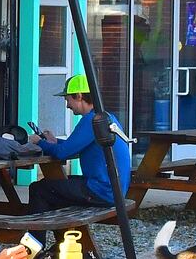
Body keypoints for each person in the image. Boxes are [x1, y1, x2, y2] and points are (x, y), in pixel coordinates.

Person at [26, 73, 132, 213]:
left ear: (79, 96)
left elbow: (62, 153)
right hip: (112, 189)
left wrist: (39, 141)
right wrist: (55, 141)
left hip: (102, 192)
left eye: (67, 99)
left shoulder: (91, 121)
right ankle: (61, 231)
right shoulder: (105, 117)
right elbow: (78, 146)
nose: (67, 106)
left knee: (39, 189)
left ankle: (36, 235)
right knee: (55, 182)